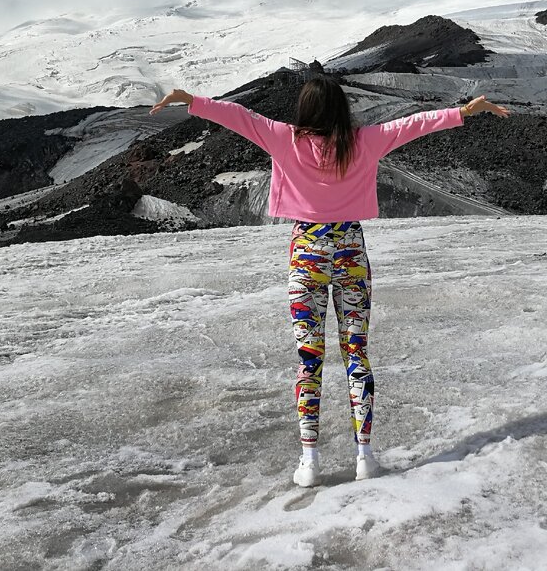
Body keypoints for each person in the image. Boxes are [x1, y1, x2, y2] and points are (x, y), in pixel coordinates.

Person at [150, 75, 509, 487]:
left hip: (307, 251)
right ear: (341, 108)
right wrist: (463, 112)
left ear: (304, 108)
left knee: (310, 359)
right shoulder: (363, 141)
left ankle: (309, 461)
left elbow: (238, 117)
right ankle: (365, 456)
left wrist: (191, 100)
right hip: (351, 251)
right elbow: (412, 125)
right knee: (357, 353)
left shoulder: (284, 138)